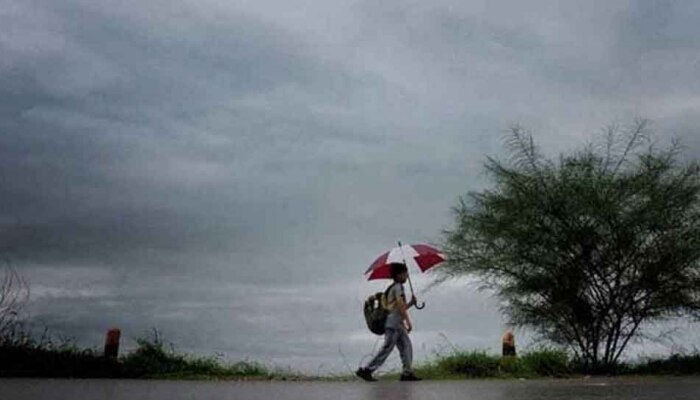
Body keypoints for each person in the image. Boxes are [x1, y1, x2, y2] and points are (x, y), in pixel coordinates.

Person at [356, 262, 422, 382]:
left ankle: (407, 373)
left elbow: (396, 308)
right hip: (394, 324)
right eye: (405, 273)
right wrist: (408, 321)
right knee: (387, 348)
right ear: (399, 274)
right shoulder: (398, 287)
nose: (407, 276)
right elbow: (400, 306)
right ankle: (366, 370)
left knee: (406, 346)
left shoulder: (392, 288)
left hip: (396, 323)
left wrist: (411, 304)